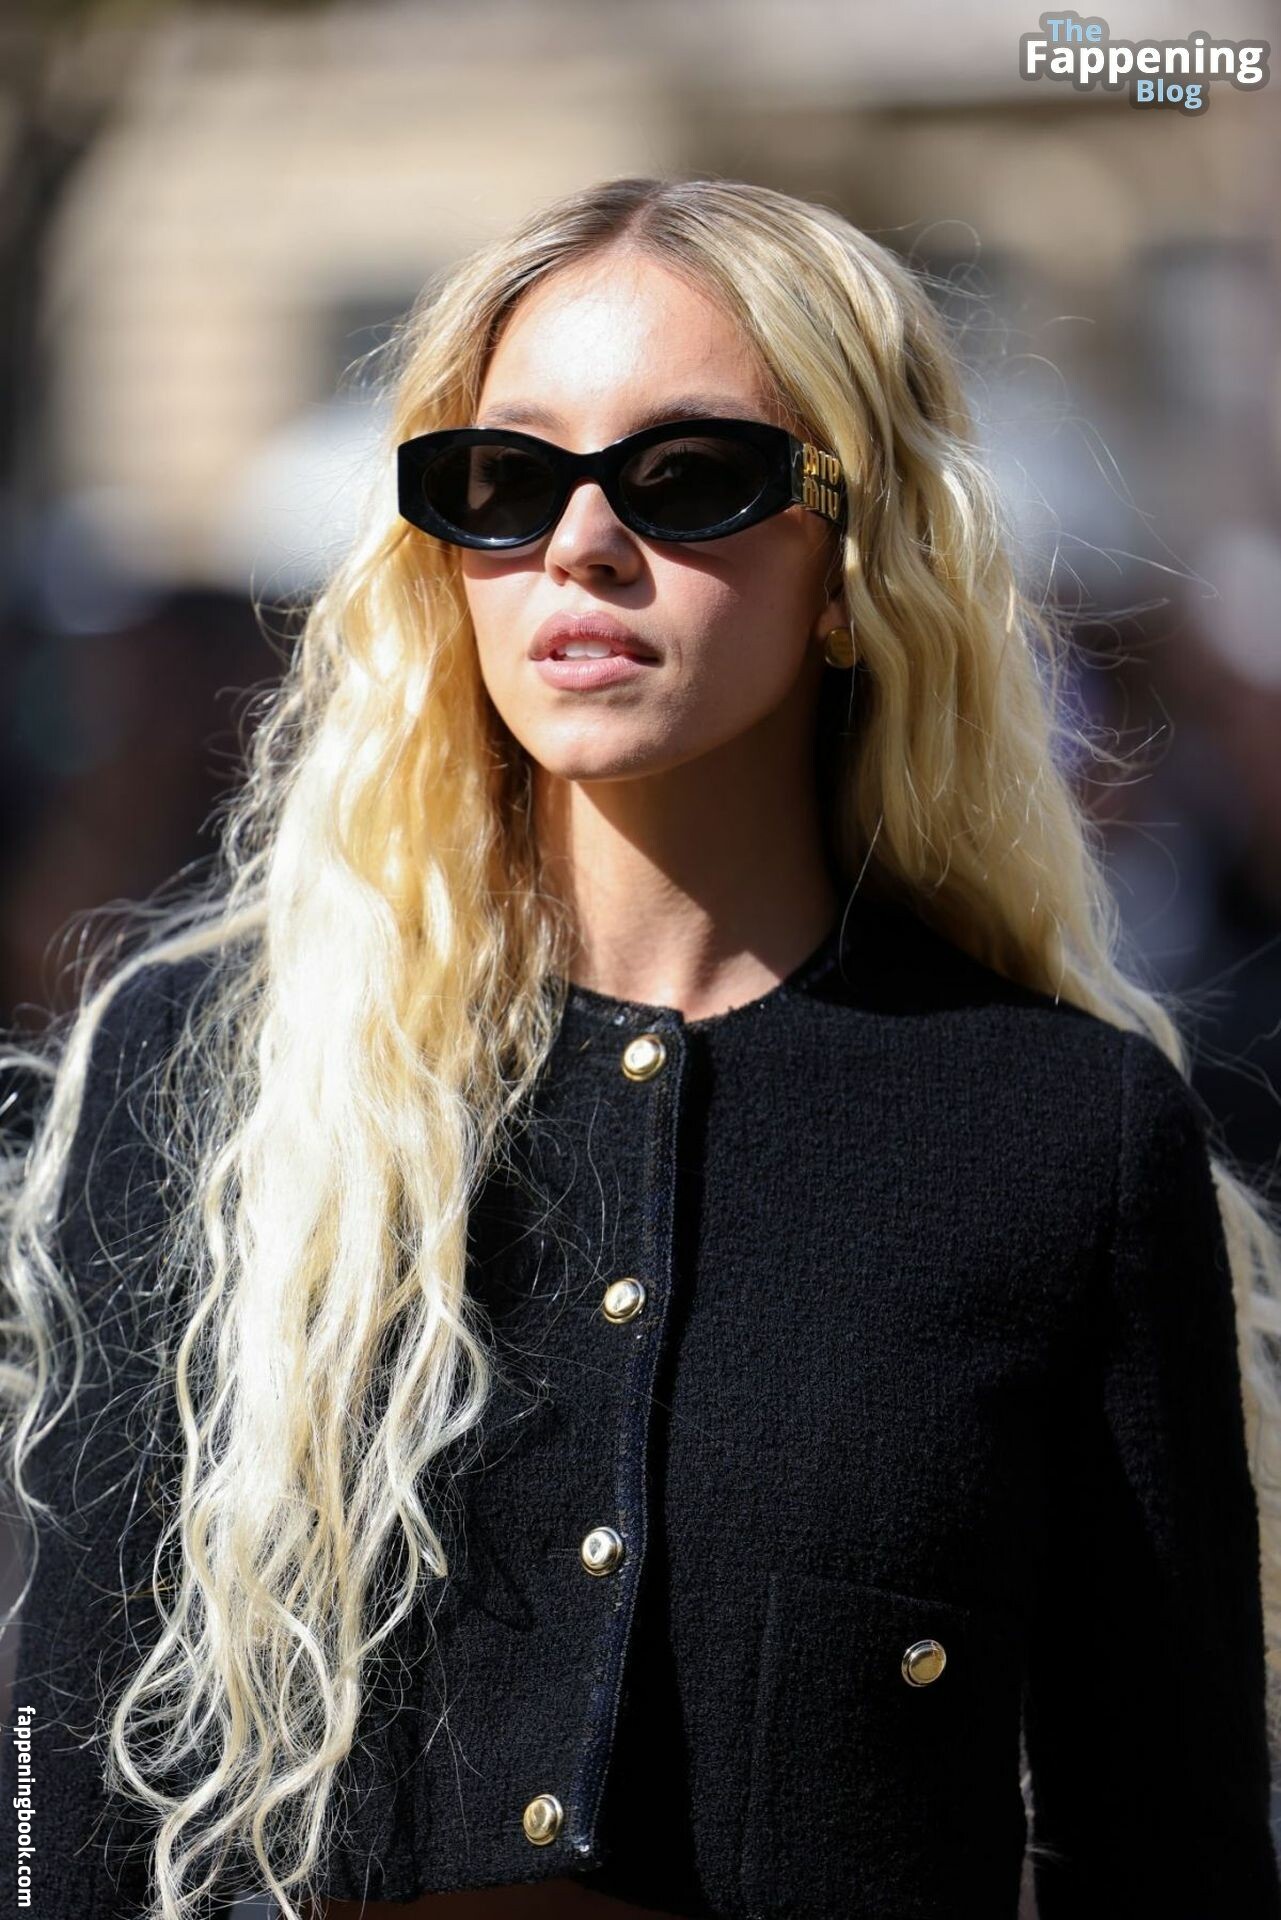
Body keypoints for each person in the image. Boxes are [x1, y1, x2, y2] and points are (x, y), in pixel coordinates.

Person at [1, 173, 1278, 1920]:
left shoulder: (1059, 1131)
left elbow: (1173, 1847)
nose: (581, 545)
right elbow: (61, 1782)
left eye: (686, 478)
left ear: (853, 559)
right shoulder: (212, 1064)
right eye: (502, 481)